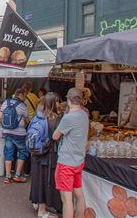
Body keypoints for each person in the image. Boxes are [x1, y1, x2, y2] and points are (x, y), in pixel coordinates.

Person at [52, 88, 89, 218]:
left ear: (68, 100)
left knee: (66, 200)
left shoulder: (68, 118)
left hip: (66, 162)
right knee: (79, 195)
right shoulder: (84, 115)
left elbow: (55, 136)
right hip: (79, 161)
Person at [29, 93, 63, 218]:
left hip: (37, 153)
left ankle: (38, 204)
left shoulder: (39, 115)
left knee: (38, 180)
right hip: (48, 155)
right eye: (58, 101)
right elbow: (57, 137)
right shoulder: (55, 119)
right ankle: (42, 211)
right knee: (46, 181)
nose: (59, 104)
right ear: (54, 103)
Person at [0, 88, 30, 184]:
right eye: (25, 95)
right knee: (22, 152)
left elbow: (0, 118)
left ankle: (7, 177)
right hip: (19, 134)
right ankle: (17, 175)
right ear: (21, 95)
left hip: (7, 132)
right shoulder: (23, 106)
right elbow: (27, 121)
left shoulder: (5, 103)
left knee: (8, 153)